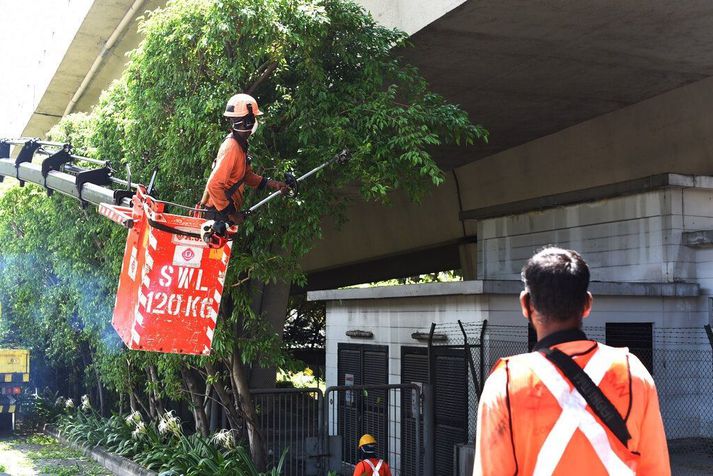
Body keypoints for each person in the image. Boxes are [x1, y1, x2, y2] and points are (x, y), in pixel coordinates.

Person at [474, 247, 670, 476]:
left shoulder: (505, 384)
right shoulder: (631, 371)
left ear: (526, 305)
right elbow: (656, 470)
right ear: (587, 304)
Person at [198, 93, 287, 224]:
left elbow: (246, 176)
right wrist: (232, 214)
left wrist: (274, 184)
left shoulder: (240, 145)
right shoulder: (232, 147)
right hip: (218, 216)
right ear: (248, 122)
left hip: (223, 213)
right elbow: (214, 185)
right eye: (253, 118)